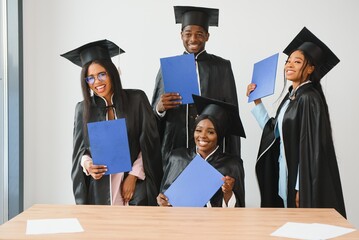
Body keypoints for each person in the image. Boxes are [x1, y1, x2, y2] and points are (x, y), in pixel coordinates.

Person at [246, 27, 346, 217]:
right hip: (285, 171)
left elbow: (310, 149)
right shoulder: (292, 97)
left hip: (300, 179)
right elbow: (274, 132)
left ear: (310, 69)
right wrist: (257, 101)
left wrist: (301, 187)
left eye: (297, 61)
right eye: (288, 61)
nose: (289, 65)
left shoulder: (309, 98)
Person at [61, 39, 162, 206]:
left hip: (135, 185)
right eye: (90, 78)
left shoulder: (137, 100)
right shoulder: (83, 109)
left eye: (102, 74)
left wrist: (133, 175)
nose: (97, 82)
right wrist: (88, 164)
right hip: (100, 186)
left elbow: (150, 142)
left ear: (112, 73)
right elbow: (81, 151)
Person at [151, 6, 241, 168]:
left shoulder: (221, 67)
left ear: (207, 36)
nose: (193, 39)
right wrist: (160, 108)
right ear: (181, 36)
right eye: (188, 34)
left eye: (199, 34)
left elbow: (231, 114)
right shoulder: (169, 67)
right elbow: (152, 118)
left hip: (212, 150)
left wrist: (231, 159)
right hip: (175, 148)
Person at [157, 95, 245, 207]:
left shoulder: (231, 164)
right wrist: (162, 201)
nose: (202, 136)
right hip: (181, 222)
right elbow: (164, 197)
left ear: (219, 135)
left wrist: (228, 193)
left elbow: (238, 209)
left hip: (215, 223)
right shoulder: (178, 158)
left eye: (210, 132)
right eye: (198, 130)